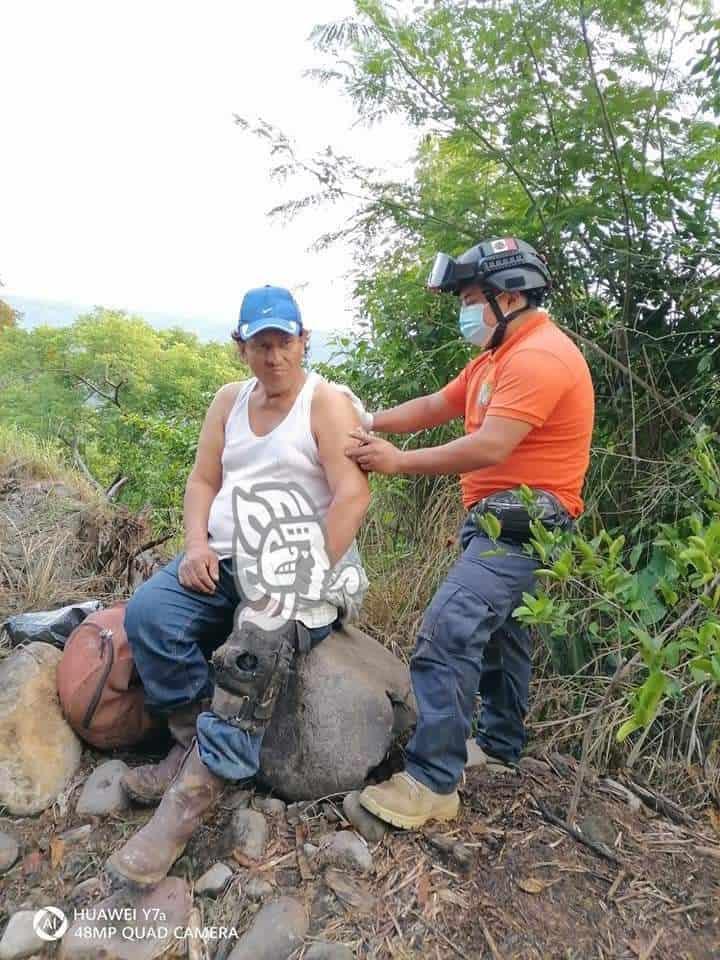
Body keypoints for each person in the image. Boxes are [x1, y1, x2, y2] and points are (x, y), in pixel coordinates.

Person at [107, 284, 370, 885]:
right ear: (241, 348)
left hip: (301, 563)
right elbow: (202, 481)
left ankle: (194, 796)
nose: (274, 356)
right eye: (261, 344)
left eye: (285, 342)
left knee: (254, 643)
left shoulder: (324, 405)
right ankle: (187, 739)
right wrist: (197, 544)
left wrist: (305, 573)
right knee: (150, 613)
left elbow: (353, 495)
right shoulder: (229, 401)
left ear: (304, 342)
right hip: (224, 557)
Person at [346, 238, 595, 829]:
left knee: (448, 627)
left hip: (527, 521)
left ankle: (433, 783)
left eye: (469, 298)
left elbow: (490, 446)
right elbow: (437, 404)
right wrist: (365, 419)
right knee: (503, 636)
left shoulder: (541, 358)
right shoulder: (495, 357)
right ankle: (501, 747)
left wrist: (396, 461)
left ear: (509, 295)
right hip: (498, 519)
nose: (465, 310)